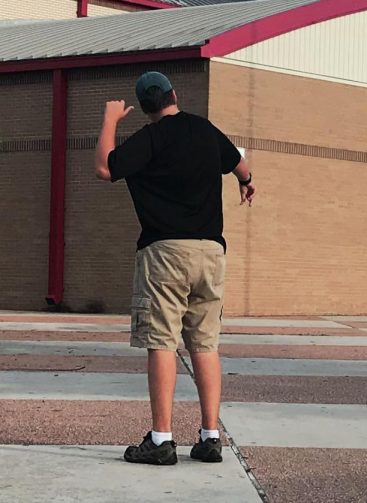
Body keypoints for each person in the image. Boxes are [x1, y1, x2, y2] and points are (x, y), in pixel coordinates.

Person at [94, 71, 256, 465]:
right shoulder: (204, 130)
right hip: (209, 252)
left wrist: (111, 119)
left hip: (164, 252)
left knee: (162, 341)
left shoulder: (148, 139)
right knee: (205, 343)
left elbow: (104, 167)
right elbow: (241, 165)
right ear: (174, 95)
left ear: (145, 108)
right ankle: (210, 436)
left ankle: (162, 439)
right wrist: (246, 182)